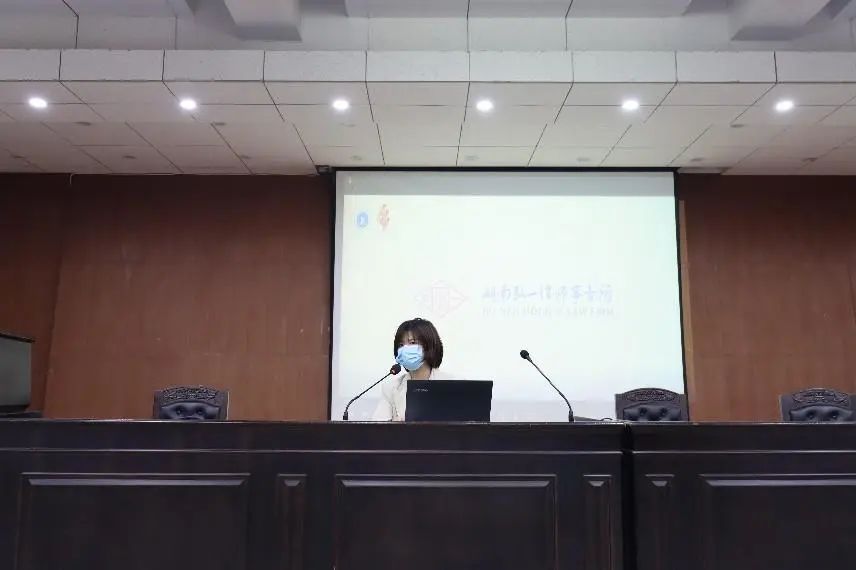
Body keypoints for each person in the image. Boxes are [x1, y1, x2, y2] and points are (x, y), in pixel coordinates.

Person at [372, 317, 452, 421]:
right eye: (401, 345)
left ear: (429, 345)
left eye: (412, 343)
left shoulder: (452, 384)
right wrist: (393, 426)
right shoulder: (390, 389)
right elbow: (376, 427)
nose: (405, 348)